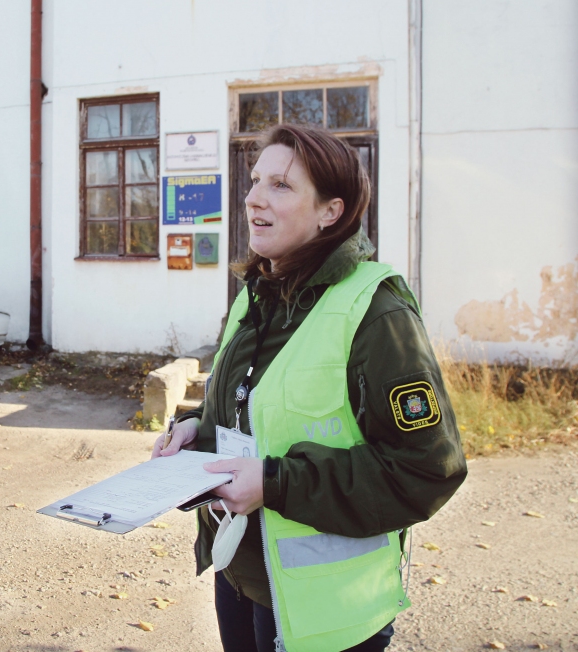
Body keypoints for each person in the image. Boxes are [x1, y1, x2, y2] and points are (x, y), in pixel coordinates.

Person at [153, 124, 467, 652]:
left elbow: (427, 469)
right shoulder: (255, 296)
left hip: (326, 611)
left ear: (331, 212)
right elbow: (251, 408)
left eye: (281, 185)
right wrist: (193, 429)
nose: (253, 197)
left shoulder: (376, 311)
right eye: (255, 181)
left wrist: (275, 483)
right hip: (240, 573)